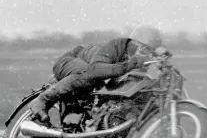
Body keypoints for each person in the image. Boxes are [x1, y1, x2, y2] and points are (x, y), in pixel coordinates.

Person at [29, 25, 163, 122]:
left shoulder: (142, 61)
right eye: (143, 48)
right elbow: (95, 70)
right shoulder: (116, 46)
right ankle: (42, 100)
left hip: (91, 73)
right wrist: (132, 63)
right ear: (133, 42)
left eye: (149, 50)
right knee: (87, 76)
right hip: (70, 61)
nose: (146, 53)